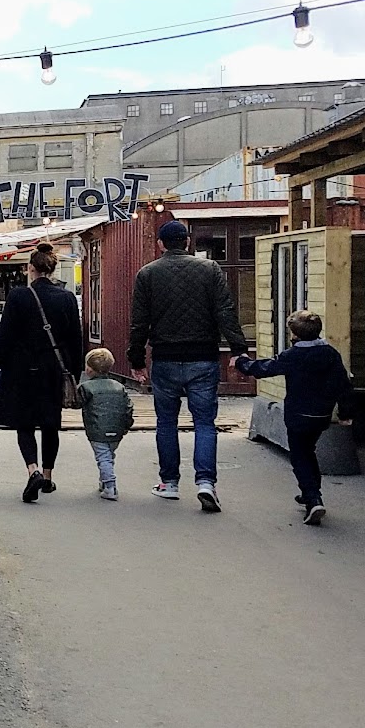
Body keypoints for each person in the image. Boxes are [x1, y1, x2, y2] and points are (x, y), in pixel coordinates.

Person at [127, 219, 248, 512]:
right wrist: (238, 349)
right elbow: (225, 311)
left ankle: (169, 483)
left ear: (160, 245)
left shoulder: (148, 274)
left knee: (166, 423)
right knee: (204, 423)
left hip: (166, 359)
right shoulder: (210, 270)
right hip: (203, 358)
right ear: (188, 241)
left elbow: (139, 322)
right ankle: (206, 483)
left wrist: (136, 360)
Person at [234, 310, 355, 525]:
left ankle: (313, 498)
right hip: (321, 416)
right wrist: (346, 413)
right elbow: (344, 385)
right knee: (309, 451)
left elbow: (264, 369)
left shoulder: (293, 356)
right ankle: (309, 492)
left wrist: (241, 363)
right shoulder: (331, 354)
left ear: (294, 335)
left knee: (300, 455)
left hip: (298, 416)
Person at [0, 243, 83, 504]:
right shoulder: (66, 298)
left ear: (30, 268)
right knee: (50, 423)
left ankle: (32, 470)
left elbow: (5, 335)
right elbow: (75, 340)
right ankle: (47, 475)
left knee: (25, 424)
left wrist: (5, 364)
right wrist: (72, 373)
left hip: (23, 369)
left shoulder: (19, 296)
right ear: (52, 268)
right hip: (54, 369)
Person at [76, 348, 134, 501]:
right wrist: (127, 425)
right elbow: (128, 407)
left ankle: (110, 486)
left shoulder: (86, 387)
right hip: (117, 429)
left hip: (96, 429)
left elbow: (76, 403)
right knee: (109, 455)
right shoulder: (119, 387)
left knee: (103, 457)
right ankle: (104, 480)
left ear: (89, 369)